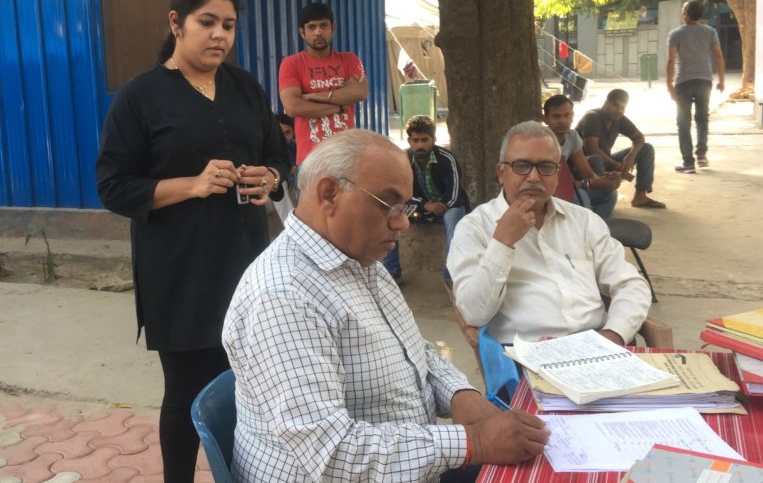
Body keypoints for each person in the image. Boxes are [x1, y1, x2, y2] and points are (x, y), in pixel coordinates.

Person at [222, 129, 550, 482]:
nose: (403, 223)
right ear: (329, 193)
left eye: (406, 207)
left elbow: (414, 351)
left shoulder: (362, 263)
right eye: (389, 205)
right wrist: (475, 441)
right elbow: (332, 454)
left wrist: (459, 394)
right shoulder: (283, 296)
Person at [95, 0, 291, 482]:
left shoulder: (244, 86)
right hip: (179, 272)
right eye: (207, 22)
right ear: (176, 23)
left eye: (228, 25)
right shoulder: (140, 98)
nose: (219, 35)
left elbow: (278, 151)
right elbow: (113, 185)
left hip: (248, 265)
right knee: (185, 393)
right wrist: (193, 184)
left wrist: (268, 177)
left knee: (251, 387)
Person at [447, 121, 651, 345]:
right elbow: (474, 314)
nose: (534, 177)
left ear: (557, 175)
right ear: (501, 173)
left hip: (598, 346)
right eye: (521, 165)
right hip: (525, 356)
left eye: (545, 167)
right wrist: (503, 242)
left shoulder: (584, 222)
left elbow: (630, 284)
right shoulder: (475, 228)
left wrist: (615, 334)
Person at [278, 2, 367, 169]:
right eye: (311, 27)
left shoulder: (349, 60)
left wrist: (312, 97)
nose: (318, 32)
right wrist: (339, 106)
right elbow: (292, 106)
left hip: (346, 156)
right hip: (310, 159)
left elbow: (360, 92)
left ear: (332, 28)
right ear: (302, 32)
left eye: (323, 25)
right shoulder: (292, 64)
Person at [382, 115, 470, 284]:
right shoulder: (404, 159)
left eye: (424, 140)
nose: (420, 145)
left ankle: (451, 274)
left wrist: (441, 206)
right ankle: (392, 272)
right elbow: (401, 194)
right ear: (409, 141)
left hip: (449, 206)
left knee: (453, 220)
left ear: (433, 139)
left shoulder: (446, 158)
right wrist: (426, 205)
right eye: (415, 140)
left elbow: (455, 192)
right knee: (392, 215)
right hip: (420, 208)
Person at [576, 89, 666, 209]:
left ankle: (640, 196)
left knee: (646, 149)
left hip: (605, 162)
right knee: (596, 159)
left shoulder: (618, 119)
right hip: (586, 165)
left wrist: (630, 157)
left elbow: (639, 138)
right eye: (615, 105)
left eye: (623, 107)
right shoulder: (592, 117)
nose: (619, 110)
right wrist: (618, 166)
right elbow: (592, 149)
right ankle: (597, 200)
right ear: (606, 102)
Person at [666, 0, 726, 173]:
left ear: (685, 13)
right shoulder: (710, 32)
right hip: (704, 81)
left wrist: (669, 85)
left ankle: (688, 163)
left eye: (683, 10)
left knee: (683, 123)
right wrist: (721, 79)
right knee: (702, 119)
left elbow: (671, 60)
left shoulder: (676, 34)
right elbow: (719, 56)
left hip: (683, 82)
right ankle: (701, 154)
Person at [542, 95, 620, 219]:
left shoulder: (572, 136)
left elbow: (587, 174)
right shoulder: (541, 140)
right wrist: (587, 184)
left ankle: (599, 230)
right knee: (581, 196)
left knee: (609, 193)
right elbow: (557, 184)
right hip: (548, 192)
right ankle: (583, 233)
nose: (562, 120)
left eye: (566, 115)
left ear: (572, 116)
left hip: (568, 186)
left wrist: (604, 181)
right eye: (556, 116)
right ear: (545, 119)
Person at [271, 113, 297, 223]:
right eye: (279, 133)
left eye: (287, 133)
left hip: (293, 187)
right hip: (271, 190)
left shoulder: (296, 146)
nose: (283, 137)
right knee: (278, 181)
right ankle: (292, 226)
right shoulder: (266, 148)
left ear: (293, 132)